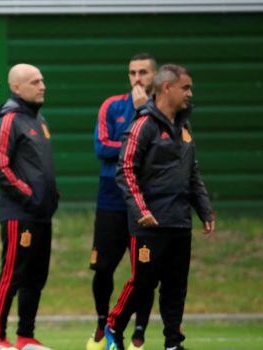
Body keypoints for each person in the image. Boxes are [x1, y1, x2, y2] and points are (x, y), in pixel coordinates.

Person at [104, 64, 215, 350]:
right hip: (148, 223)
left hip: (179, 221)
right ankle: (114, 327)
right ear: (167, 88)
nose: (190, 93)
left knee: (176, 287)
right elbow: (125, 170)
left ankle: (173, 343)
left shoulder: (185, 128)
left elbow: (193, 173)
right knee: (143, 282)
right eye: (186, 87)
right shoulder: (143, 125)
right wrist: (141, 210)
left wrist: (204, 209)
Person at [87, 53, 157, 350]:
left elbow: (159, 151)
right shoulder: (111, 105)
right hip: (111, 197)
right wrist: (135, 145)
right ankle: (104, 324)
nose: (137, 78)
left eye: (143, 72)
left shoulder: (160, 112)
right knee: (102, 268)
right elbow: (102, 147)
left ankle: (138, 335)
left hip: (146, 199)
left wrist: (143, 113)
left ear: (155, 76)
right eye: (132, 73)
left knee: (144, 271)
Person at [0, 64, 59, 350]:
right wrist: (29, 196)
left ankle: (25, 336)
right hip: (20, 214)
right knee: (12, 274)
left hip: (42, 214)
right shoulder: (8, 119)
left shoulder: (38, 118)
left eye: (42, 80)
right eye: (35, 81)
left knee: (36, 276)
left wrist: (51, 197)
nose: (42, 86)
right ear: (17, 87)